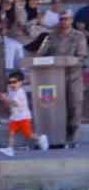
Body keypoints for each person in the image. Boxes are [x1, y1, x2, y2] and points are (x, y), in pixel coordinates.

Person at [37, 16, 88, 146]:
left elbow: (82, 56)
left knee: (74, 105)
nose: (63, 21)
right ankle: (57, 136)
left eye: (66, 19)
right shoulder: (51, 36)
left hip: (73, 76)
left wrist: (68, 61)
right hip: (54, 77)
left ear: (71, 21)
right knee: (57, 107)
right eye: (61, 19)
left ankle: (71, 136)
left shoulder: (79, 36)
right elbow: (40, 54)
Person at [0, 70, 49, 156]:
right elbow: (9, 103)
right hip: (14, 117)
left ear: (20, 83)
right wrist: (5, 98)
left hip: (23, 117)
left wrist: (5, 99)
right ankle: (10, 149)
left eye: (14, 82)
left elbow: (15, 103)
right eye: (10, 82)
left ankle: (40, 138)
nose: (12, 84)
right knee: (11, 132)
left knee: (29, 134)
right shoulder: (11, 91)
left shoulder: (20, 92)